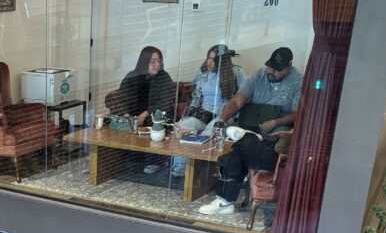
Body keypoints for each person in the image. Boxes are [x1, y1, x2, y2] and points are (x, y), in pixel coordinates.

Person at [168, 43, 245, 178]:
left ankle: (200, 172)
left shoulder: (236, 73)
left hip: (223, 115)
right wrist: (190, 112)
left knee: (209, 132)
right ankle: (179, 166)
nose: (209, 62)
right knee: (180, 127)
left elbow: (243, 98)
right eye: (208, 58)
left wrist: (236, 117)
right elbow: (196, 97)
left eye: (213, 60)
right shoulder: (201, 73)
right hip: (203, 112)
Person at [199, 129, 292, 217]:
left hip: (285, 160)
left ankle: (226, 202)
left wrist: (288, 136)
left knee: (240, 147)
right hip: (279, 152)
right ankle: (225, 202)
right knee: (239, 150)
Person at [214, 46, 302, 137]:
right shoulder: (259, 75)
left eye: (277, 70)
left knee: (278, 137)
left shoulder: (298, 81)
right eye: (270, 66)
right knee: (228, 133)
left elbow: (297, 114)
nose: (272, 71)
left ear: (289, 67)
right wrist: (222, 120)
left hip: (278, 125)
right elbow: (237, 101)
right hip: (252, 121)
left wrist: (274, 123)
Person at [106, 46, 176, 130]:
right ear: (144, 62)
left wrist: (146, 113)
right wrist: (126, 115)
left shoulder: (164, 77)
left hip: (155, 123)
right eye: (153, 62)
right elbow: (121, 98)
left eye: (159, 61)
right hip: (132, 123)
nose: (157, 65)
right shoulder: (133, 76)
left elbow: (166, 101)